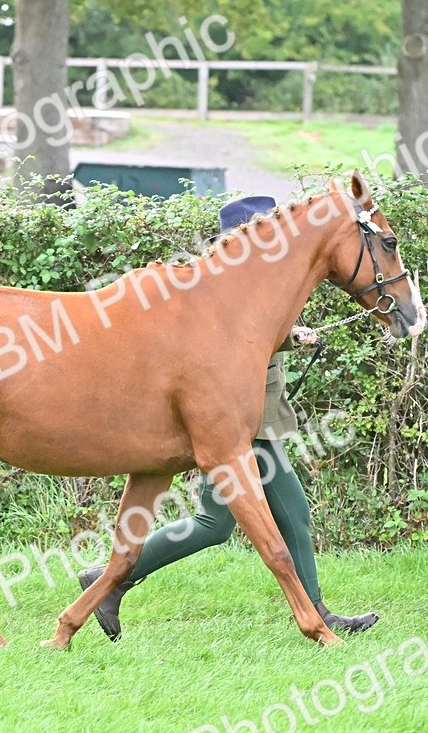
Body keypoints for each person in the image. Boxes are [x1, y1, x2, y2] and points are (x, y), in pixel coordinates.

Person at [78, 195, 379, 641]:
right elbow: (231, 347)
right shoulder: (226, 285)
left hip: (253, 419)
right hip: (237, 422)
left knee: (216, 523)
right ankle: (109, 578)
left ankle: (109, 580)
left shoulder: (253, 283)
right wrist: (288, 337)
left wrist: (290, 337)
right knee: (272, 514)